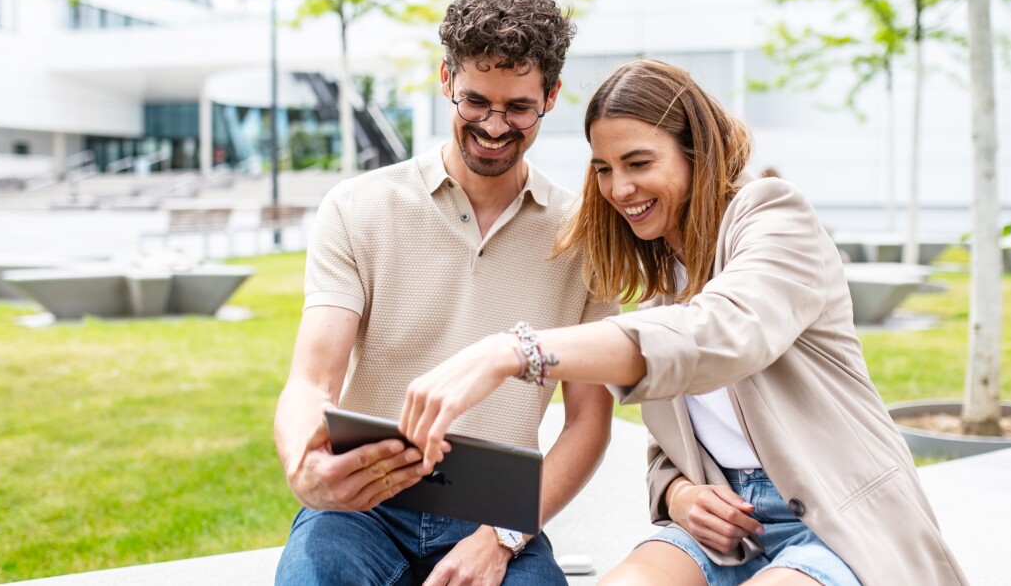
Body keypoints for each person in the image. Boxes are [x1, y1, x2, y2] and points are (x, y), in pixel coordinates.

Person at [399, 59, 968, 586]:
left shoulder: (773, 215)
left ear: (697, 152)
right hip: (722, 535)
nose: (620, 189)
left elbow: (722, 333)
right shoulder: (658, 288)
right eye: (604, 169)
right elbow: (667, 451)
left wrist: (515, 350)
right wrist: (677, 495)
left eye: (639, 163)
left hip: (835, 523)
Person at [272, 0, 618, 586]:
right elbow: (311, 378)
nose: (493, 126)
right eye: (475, 101)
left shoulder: (583, 235)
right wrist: (302, 462)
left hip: (497, 516)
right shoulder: (358, 207)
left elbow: (587, 421)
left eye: (518, 108)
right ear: (446, 80)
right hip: (366, 506)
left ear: (553, 96)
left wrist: (503, 537)